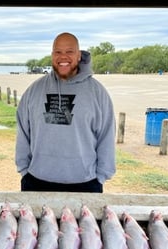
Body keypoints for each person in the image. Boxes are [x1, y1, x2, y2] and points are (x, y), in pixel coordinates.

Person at [15, 32, 116, 193]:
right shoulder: (35, 90)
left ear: (79, 55)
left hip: (85, 183)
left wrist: (101, 176)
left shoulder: (97, 92)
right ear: (52, 55)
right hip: (36, 181)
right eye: (58, 52)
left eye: (69, 51)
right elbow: (22, 130)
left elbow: (106, 135)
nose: (63, 57)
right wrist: (24, 171)